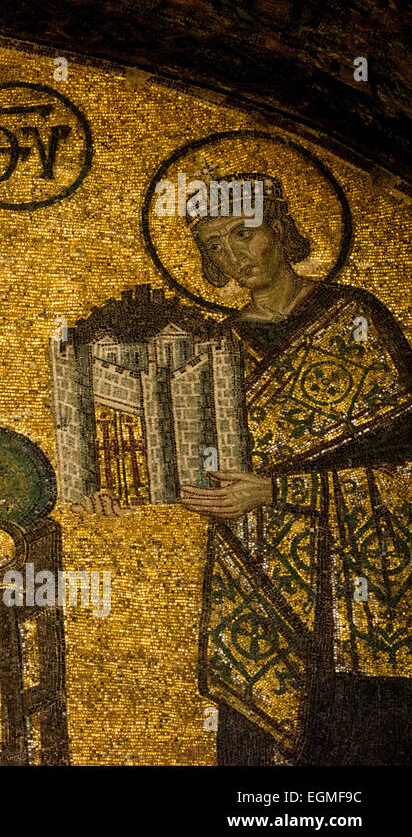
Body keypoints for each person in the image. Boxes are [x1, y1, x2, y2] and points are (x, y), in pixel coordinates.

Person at [83, 172, 412, 764]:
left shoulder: (354, 320)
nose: (236, 256)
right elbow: (191, 460)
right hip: (252, 578)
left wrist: (279, 490)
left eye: (245, 232)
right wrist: (124, 487)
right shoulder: (217, 346)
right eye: (216, 245)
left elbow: (404, 466)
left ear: (280, 229)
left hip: (360, 596)